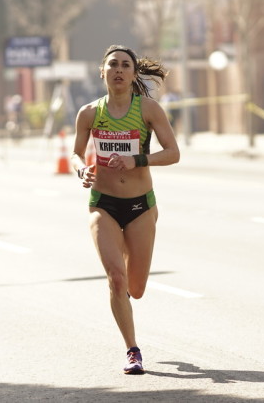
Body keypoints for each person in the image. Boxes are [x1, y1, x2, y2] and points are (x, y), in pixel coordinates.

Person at [71, 45, 180, 374]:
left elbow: (173, 152)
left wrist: (138, 160)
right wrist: (81, 169)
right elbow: (75, 154)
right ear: (102, 72)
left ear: (133, 73)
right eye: (113, 65)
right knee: (116, 280)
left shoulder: (148, 110)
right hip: (102, 204)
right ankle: (132, 350)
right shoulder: (89, 113)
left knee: (136, 288)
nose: (119, 70)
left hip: (140, 205)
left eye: (125, 65)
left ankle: (130, 281)